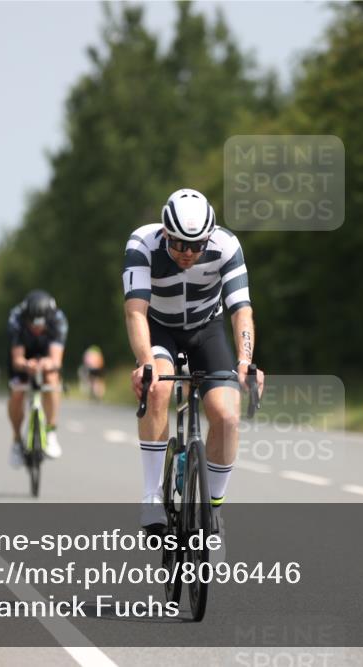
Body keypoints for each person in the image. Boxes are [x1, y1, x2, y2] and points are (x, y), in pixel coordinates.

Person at [123, 188, 264, 533]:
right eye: (179, 245)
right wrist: (145, 362)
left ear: (208, 238)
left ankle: (213, 512)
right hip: (160, 329)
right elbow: (135, 312)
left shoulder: (226, 246)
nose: (187, 253)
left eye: (196, 245)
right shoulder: (143, 244)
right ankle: (152, 498)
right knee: (157, 389)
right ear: (165, 233)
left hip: (207, 328)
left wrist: (245, 361)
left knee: (227, 417)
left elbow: (241, 311)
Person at [6, 289, 68, 467]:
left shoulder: (58, 320)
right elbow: (17, 360)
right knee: (17, 391)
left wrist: (47, 364)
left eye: (40, 325)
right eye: (32, 325)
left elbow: (56, 360)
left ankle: (51, 431)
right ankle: (17, 441)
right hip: (24, 355)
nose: (36, 328)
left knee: (51, 380)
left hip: (46, 353)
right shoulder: (15, 319)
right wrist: (27, 365)